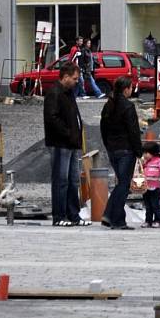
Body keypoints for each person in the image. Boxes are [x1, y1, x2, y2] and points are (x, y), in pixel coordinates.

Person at [43, 61, 90, 227]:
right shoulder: (54, 93)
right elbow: (52, 118)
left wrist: (75, 136)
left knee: (73, 181)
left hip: (71, 144)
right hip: (60, 144)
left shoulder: (69, 92)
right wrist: (68, 133)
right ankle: (59, 216)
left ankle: (73, 215)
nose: (77, 81)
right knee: (61, 181)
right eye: (75, 78)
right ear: (66, 77)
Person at [100, 76, 143, 230]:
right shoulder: (128, 107)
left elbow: (103, 128)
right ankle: (114, 218)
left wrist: (108, 145)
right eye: (131, 88)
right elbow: (133, 131)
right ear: (126, 89)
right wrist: (139, 151)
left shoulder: (108, 105)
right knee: (123, 186)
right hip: (126, 149)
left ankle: (112, 217)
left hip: (112, 149)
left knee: (121, 184)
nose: (132, 90)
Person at [140, 141, 160, 228]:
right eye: (144, 153)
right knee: (147, 205)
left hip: (155, 187)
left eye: (146, 153)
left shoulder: (159, 162)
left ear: (153, 153)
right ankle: (148, 221)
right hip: (146, 187)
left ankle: (157, 220)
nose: (144, 155)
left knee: (155, 205)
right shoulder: (145, 162)